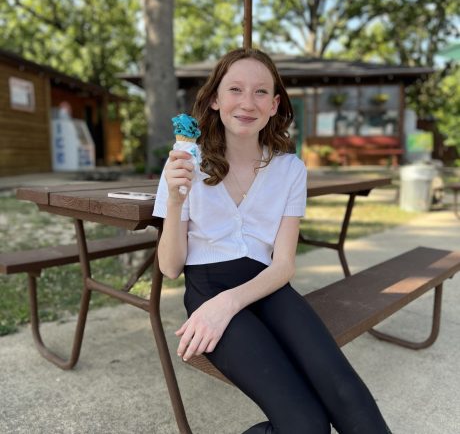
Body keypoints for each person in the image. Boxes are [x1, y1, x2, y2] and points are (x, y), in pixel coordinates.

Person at [153, 48, 391, 434]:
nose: (248, 103)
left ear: (275, 104)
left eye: (261, 92)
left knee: (349, 396)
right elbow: (170, 267)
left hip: (268, 288)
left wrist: (228, 304)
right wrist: (176, 197)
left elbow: (283, 265)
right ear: (215, 99)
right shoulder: (185, 163)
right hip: (207, 288)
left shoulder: (290, 169)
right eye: (235, 89)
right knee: (306, 425)